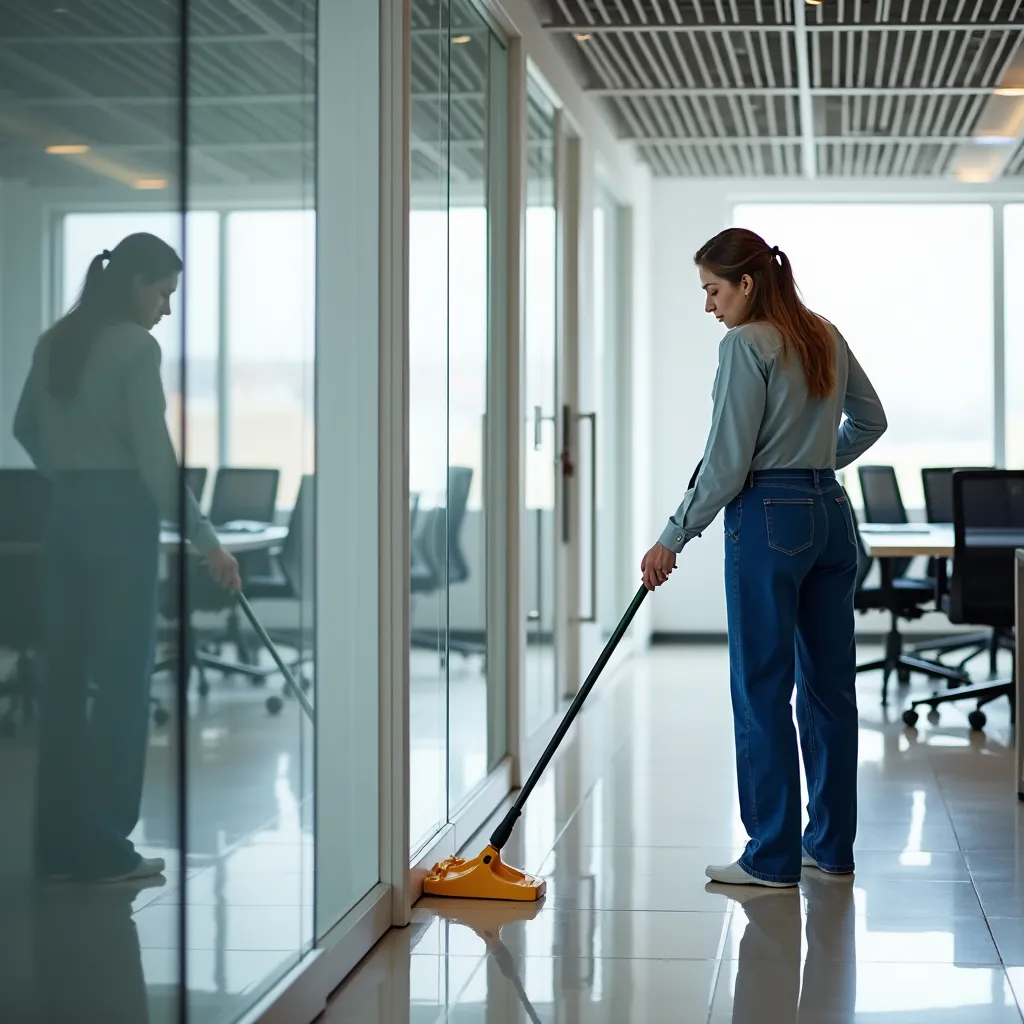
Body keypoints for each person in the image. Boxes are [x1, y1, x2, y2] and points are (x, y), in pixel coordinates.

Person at [640, 228, 887, 888]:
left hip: (770, 518)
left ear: (747, 283)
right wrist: (811, 464)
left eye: (713, 290)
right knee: (830, 690)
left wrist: (672, 535)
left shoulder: (745, 345)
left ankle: (771, 856)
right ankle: (830, 850)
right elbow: (871, 421)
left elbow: (725, 466)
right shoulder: (823, 332)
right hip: (833, 517)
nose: (709, 306)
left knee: (761, 688)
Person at [14, 232, 242, 883]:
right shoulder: (135, 348)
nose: (166, 309)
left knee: (63, 686)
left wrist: (70, 474)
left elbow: (24, 428)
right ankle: (108, 852)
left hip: (65, 519)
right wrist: (209, 542)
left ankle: (56, 848)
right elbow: (154, 460)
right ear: (137, 282)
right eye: (164, 292)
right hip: (121, 525)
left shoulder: (58, 339)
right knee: (120, 687)